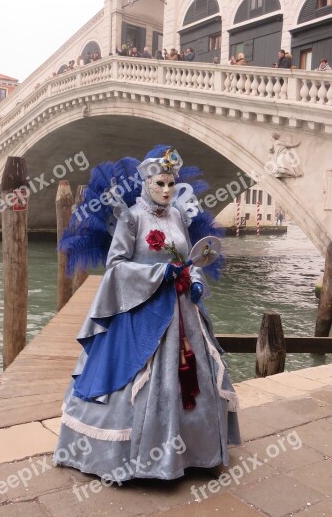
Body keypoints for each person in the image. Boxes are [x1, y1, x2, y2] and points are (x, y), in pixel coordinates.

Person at [53, 145, 240, 482]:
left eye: (171, 184)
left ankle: (194, 452)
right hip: (143, 310)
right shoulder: (132, 218)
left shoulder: (178, 216)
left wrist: (194, 279)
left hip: (183, 309)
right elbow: (116, 266)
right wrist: (157, 275)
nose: (167, 190)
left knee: (196, 375)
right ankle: (138, 460)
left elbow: (188, 259)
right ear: (146, 184)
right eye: (160, 185)